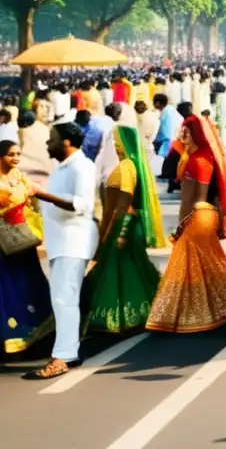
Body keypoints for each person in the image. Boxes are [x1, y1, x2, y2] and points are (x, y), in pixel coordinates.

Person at [145, 115, 226, 333]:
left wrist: (183, 224)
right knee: (207, 266)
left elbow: (197, 198)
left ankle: (199, 312)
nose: (182, 136)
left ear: (197, 134)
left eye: (186, 132)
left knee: (190, 268)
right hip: (201, 217)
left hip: (197, 219)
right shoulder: (197, 156)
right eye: (181, 131)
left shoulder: (199, 161)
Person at [26, 123, 99, 379]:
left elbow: (82, 204)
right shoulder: (63, 168)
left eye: (52, 139)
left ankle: (64, 356)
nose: (48, 144)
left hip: (73, 241)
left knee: (64, 300)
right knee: (62, 299)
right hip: (61, 242)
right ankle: (68, 351)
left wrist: (43, 194)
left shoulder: (82, 167)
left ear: (67, 142)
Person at [83, 126, 164, 334]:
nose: (114, 143)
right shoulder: (128, 165)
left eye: (117, 139)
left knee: (119, 273)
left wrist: (114, 232)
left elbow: (122, 205)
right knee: (135, 270)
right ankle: (147, 311)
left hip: (123, 225)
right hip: (127, 224)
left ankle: (124, 316)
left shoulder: (126, 167)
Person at [0, 140, 53, 360]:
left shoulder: (18, 176)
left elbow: (36, 195)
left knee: (31, 284)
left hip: (22, 242)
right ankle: (9, 340)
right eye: (11, 154)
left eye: (18, 154)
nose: (15, 158)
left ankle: (36, 338)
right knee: (7, 290)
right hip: (3, 245)